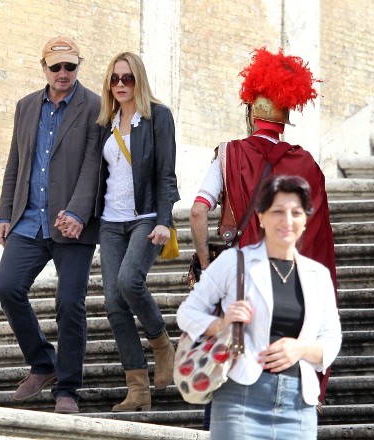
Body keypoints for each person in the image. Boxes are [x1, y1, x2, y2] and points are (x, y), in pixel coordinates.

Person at [189, 48, 338, 423]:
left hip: (240, 281)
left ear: (251, 111)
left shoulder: (229, 154)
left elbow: (198, 211)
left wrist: (206, 266)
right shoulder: (308, 165)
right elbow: (318, 243)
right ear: (285, 116)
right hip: (290, 292)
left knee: (228, 362)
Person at [178, 175, 342, 440]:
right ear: (261, 217)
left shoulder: (317, 275)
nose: (287, 220)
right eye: (277, 211)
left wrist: (299, 349)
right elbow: (187, 313)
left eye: (296, 213)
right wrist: (221, 324)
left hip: (298, 405)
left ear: (305, 220)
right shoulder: (235, 262)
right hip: (240, 399)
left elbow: (331, 338)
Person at [0, 36, 101, 414]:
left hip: (73, 225)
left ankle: (68, 389)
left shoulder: (95, 107)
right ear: (44, 68)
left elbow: (94, 165)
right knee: (7, 287)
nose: (63, 73)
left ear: (78, 67)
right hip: (28, 219)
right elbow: (15, 162)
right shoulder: (26, 106)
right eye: (56, 67)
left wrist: (78, 213)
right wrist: (5, 214)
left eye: (70, 66)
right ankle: (43, 363)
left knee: (69, 303)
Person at [94, 52, 179, 412]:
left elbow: (166, 173)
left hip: (146, 216)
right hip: (110, 222)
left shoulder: (158, 117)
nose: (120, 84)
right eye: (114, 79)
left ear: (138, 80)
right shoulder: (106, 122)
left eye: (127, 78)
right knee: (114, 303)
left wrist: (164, 219)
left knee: (129, 281)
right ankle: (138, 388)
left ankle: (162, 344)